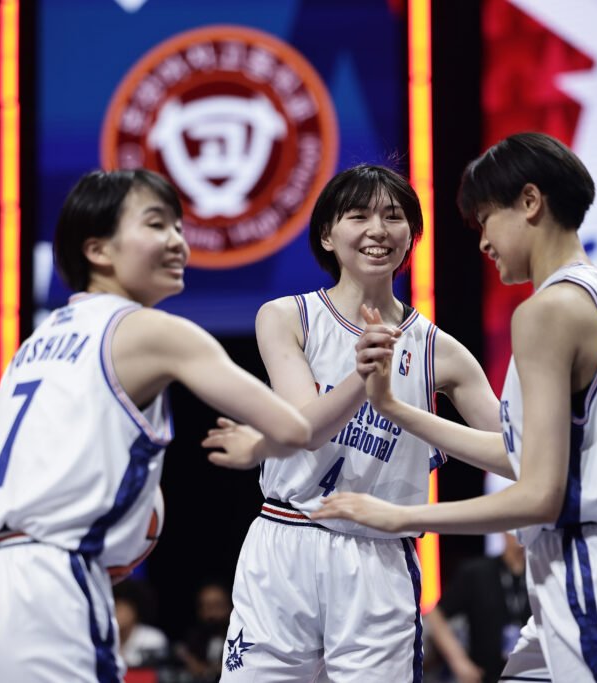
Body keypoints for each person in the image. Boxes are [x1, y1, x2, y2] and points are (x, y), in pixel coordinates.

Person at [315, 132, 597, 682]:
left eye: (485, 219)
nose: (483, 241)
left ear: (530, 202)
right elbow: (526, 452)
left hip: (595, 568)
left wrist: (402, 516)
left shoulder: (546, 311)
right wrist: (393, 408)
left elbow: (537, 494)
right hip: (594, 562)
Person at [0, 169, 311, 683]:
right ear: (98, 250)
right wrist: (257, 446)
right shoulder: (154, 330)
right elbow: (294, 430)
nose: (178, 242)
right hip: (43, 589)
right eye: (156, 224)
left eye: (179, 227)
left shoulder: (32, 347)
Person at [204, 164, 509, 682]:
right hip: (287, 538)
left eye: (393, 217)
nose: (378, 230)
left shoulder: (440, 352)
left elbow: (516, 454)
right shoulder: (287, 317)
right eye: (359, 216)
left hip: (379, 554)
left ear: (412, 236)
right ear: (327, 234)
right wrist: (362, 376)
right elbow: (304, 428)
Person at [425, 534, 532, 683]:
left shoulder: (540, 574)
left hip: (531, 675)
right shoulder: (477, 572)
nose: (519, 533)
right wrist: (459, 661)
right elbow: (435, 615)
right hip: (484, 676)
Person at [175, 581, 232, 681]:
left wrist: (207, 670)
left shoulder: (239, 639)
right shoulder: (192, 638)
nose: (212, 614)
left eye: (217, 606)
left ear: (230, 607)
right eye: (206, 606)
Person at [113, 580, 169, 669]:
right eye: (115, 608)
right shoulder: (105, 637)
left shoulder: (153, 638)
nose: (117, 614)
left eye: (121, 609)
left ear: (134, 612)